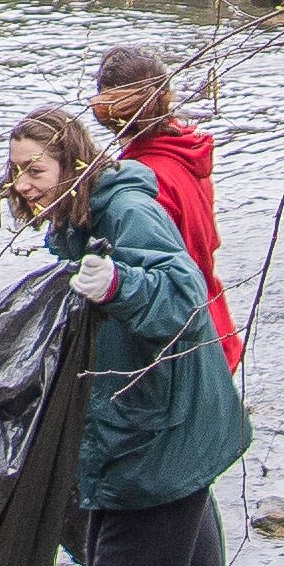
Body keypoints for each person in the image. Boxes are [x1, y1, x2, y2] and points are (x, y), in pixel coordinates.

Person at [0, 107, 249, 566]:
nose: (24, 184)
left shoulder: (126, 209)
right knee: (118, 565)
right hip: (136, 417)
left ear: (73, 163)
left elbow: (182, 290)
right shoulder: (79, 217)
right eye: (16, 171)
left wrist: (118, 283)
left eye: (36, 170)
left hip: (163, 424)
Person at [89, 44, 244, 365]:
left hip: (185, 343)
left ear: (106, 112)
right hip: (216, 323)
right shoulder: (186, 152)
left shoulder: (141, 183)